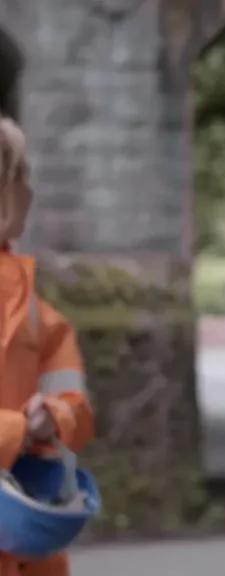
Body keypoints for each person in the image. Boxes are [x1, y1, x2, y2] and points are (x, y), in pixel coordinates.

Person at [0, 117, 94, 576]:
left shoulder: (39, 312)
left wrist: (54, 416)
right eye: (20, 178)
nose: (30, 193)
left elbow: (77, 411)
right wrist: (18, 429)